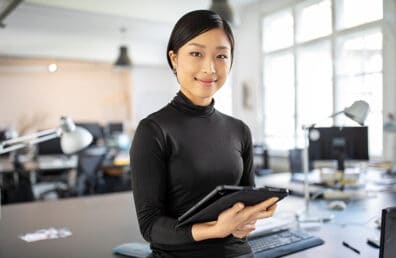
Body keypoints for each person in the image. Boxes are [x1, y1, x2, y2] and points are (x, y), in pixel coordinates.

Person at [130, 10, 278, 258]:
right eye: (196, 53)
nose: (210, 67)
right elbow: (150, 227)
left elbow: (244, 207)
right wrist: (216, 229)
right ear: (174, 58)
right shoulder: (153, 130)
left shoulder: (239, 130)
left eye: (221, 55)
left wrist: (249, 220)